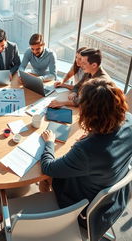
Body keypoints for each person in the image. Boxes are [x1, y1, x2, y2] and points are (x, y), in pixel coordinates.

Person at [41, 79, 132, 241]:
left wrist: (49, 143)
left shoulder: (86, 151)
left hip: (81, 207)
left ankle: (49, 217)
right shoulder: (130, 122)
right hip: (114, 199)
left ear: (89, 113)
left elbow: (48, 167)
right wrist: (92, 135)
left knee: (46, 175)